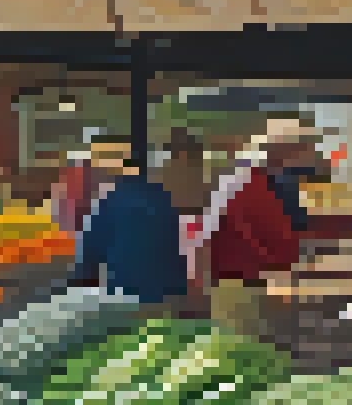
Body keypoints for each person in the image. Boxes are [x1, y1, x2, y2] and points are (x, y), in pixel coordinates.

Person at [187, 126, 308, 342]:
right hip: (242, 289)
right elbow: (205, 239)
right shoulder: (242, 184)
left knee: (245, 356)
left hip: (255, 288)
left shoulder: (256, 185)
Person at [72, 135, 188, 315]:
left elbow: (88, 259)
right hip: (169, 297)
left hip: (124, 298)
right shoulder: (165, 198)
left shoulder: (108, 202)